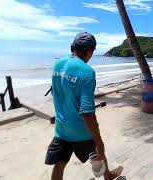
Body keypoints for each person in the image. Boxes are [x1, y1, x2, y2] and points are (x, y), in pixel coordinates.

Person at [45, 32, 123, 180]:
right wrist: (100, 143)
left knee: (60, 163)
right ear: (89, 50)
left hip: (61, 128)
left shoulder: (57, 64)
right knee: (98, 150)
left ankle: (107, 174)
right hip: (81, 130)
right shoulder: (87, 72)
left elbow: (56, 93)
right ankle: (108, 176)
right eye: (92, 52)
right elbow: (87, 112)